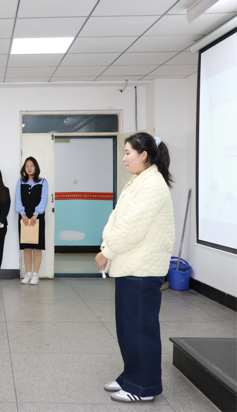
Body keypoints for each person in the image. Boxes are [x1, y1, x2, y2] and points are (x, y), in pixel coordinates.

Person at [96, 133, 175, 403]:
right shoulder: (139, 180)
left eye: (128, 152)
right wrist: (107, 243)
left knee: (140, 329)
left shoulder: (152, 185)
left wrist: (106, 252)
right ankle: (131, 376)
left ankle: (144, 387)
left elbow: (131, 228)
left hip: (142, 270)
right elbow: (117, 218)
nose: (124, 158)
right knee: (128, 328)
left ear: (144, 155)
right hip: (131, 267)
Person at [16, 156, 49, 285]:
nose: (29, 168)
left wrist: (36, 214)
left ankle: (35, 274)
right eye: (27, 166)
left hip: (37, 218)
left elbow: (43, 200)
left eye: (31, 165)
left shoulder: (43, 182)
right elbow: (18, 199)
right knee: (27, 246)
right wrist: (23, 214)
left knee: (37, 247)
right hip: (24, 218)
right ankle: (28, 273)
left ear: (36, 167)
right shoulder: (20, 182)